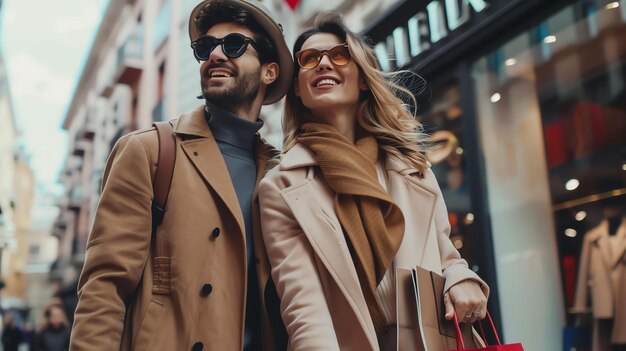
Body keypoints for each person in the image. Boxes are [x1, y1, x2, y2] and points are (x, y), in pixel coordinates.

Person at [259, 13, 489, 350]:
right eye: (309, 59)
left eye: (339, 55)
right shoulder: (281, 187)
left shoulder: (411, 166)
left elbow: (447, 257)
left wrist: (461, 278)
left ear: (363, 79)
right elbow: (303, 307)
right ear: (297, 87)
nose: (323, 63)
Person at [69, 0, 292, 350]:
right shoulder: (149, 151)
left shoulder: (281, 174)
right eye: (205, 48)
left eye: (233, 45)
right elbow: (105, 286)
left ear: (269, 72)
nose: (215, 55)